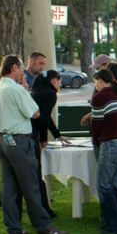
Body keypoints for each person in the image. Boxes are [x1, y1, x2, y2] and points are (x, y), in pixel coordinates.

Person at [0, 54, 68, 234]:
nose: (23, 71)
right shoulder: (16, 89)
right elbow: (35, 113)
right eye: (21, 67)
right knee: (31, 185)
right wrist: (25, 90)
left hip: (3, 140)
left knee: (9, 188)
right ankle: (43, 226)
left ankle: (13, 230)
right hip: (19, 140)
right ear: (14, 68)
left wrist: (0, 141)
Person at [91, 68, 117, 234]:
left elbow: (97, 124)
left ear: (101, 80)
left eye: (96, 82)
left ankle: (113, 224)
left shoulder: (100, 97)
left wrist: (96, 141)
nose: (95, 86)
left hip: (110, 143)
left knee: (104, 185)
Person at [30, 70, 71, 218]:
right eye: (59, 80)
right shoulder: (50, 94)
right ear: (53, 80)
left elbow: (46, 117)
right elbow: (44, 118)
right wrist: (43, 139)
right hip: (32, 136)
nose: (60, 83)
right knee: (36, 175)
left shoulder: (36, 92)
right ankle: (44, 209)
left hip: (27, 134)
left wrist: (57, 134)